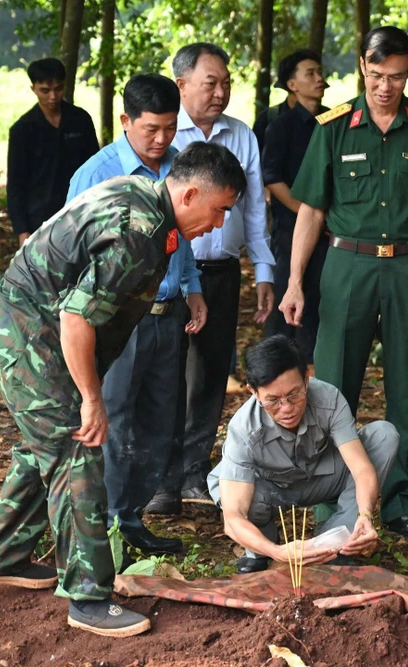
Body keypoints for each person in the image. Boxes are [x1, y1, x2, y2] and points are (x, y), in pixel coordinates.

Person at [0, 143, 246, 637]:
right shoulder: (139, 231)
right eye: (220, 209)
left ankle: (1, 556)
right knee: (78, 449)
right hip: (29, 329)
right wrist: (92, 400)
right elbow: (76, 317)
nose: (220, 224)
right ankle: (89, 599)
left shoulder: (147, 199)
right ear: (190, 194)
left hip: (37, 325)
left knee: (44, 447)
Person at [281, 26, 408, 537]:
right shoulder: (334, 127)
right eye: (378, 75)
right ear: (363, 66)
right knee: (334, 385)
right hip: (349, 265)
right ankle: (330, 502)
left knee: (405, 383)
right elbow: (311, 211)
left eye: (398, 77)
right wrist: (294, 281)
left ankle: (400, 499)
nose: (387, 87)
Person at [65, 73, 208, 556]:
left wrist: (192, 287)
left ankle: (131, 517)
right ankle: (103, 527)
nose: (161, 139)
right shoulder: (96, 174)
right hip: (118, 319)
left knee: (158, 419)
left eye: (170, 128)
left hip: (168, 313)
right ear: (126, 120)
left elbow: (182, 237)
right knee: (115, 420)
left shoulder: (178, 167)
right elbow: (75, 254)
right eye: (151, 129)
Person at [152, 42, 276, 510]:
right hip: (170, 271)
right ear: (182, 84)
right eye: (211, 83)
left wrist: (263, 270)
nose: (220, 92)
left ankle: (193, 473)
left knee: (209, 375)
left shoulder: (242, 135)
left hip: (222, 272)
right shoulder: (166, 135)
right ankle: (161, 480)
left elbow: (255, 210)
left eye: (226, 83)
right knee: (167, 374)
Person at [209, 336, 399, 573]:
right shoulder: (243, 427)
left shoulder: (328, 398)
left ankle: (338, 542)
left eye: (294, 394)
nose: (287, 408)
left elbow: (360, 469)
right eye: (273, 400)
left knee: (384, 435)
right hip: (272, 490)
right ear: (254, 392)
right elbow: (233, 517)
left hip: (321, 477)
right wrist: (277, 552)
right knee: (238, 494)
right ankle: (260, 550)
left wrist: (366, 514)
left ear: (306, 379)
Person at [262, 49, 330, 366]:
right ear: (292, 85)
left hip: (330, 232)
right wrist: (307, 215)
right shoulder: (280, 126)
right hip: (290, 230)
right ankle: (276, 372)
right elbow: (272, 178)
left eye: (320, 72)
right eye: (310, 73)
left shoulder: (333, 121)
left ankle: (315, 372)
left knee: (319, 302)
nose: (319, 79)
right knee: (287, 302)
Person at [7, 57, 99, 244]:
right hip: (39, 219)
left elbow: (95, 168)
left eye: (58, 89)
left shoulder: (81, 120)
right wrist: (22, 229)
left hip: (80, 213)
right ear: (33, 89)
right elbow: (16, 183)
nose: (53, 96)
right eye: (45, 90)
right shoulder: (22, 129)